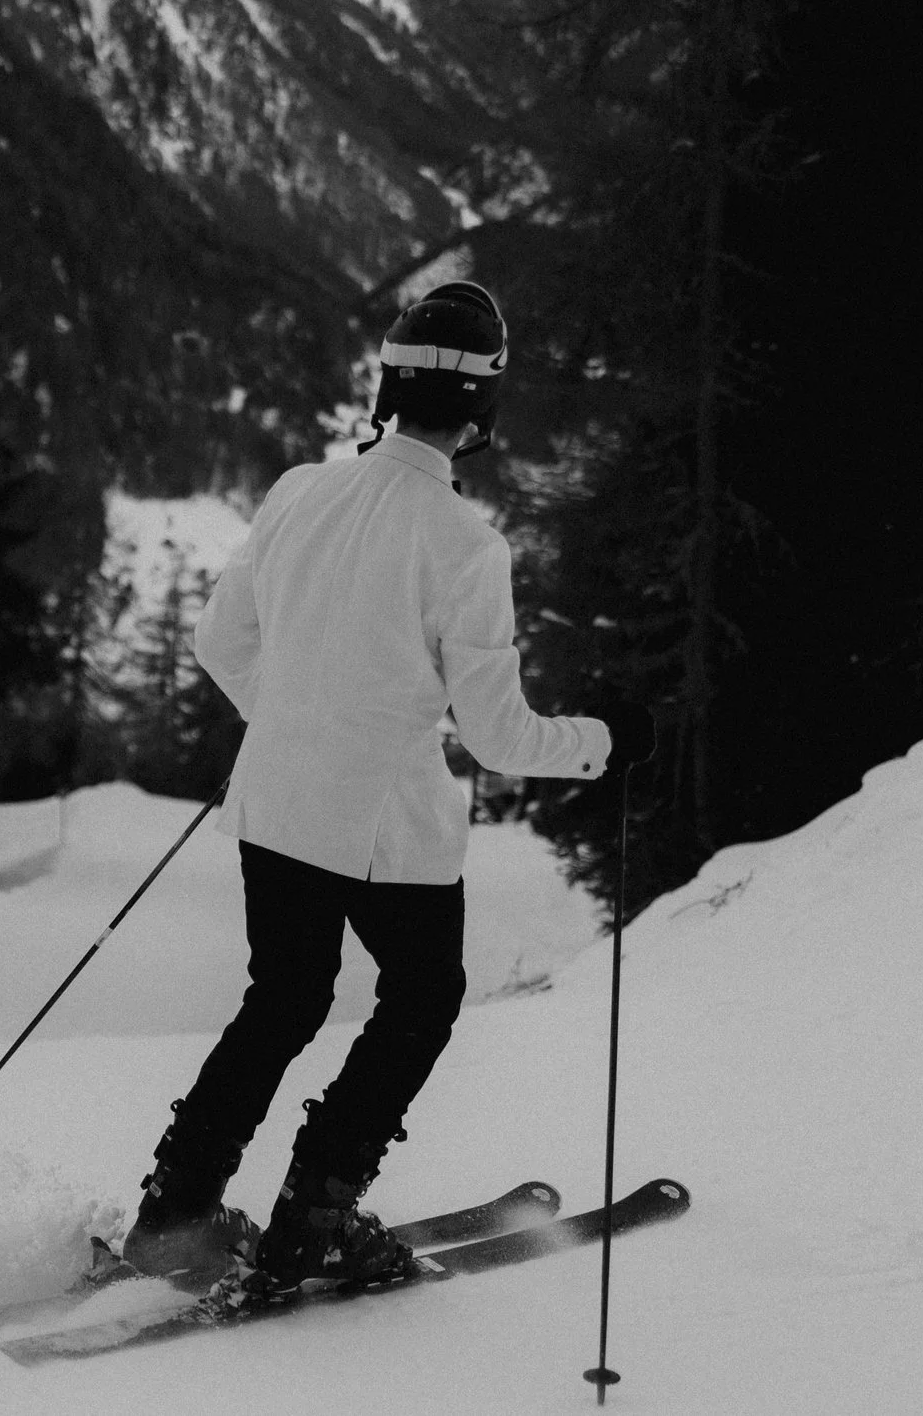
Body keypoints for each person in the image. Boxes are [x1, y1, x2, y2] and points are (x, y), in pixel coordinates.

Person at [120, 280, 639, 1309]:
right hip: (383, 828)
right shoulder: (465, 547)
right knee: (420, 997)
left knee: (282, 1001)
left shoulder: (297, 491)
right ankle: (315, 1216)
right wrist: (607, 743)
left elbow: (221, 642)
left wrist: (302, 720)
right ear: (483, 410)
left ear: (386, 387)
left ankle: (175, 1215)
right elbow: (497, 736)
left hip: (273, 802)